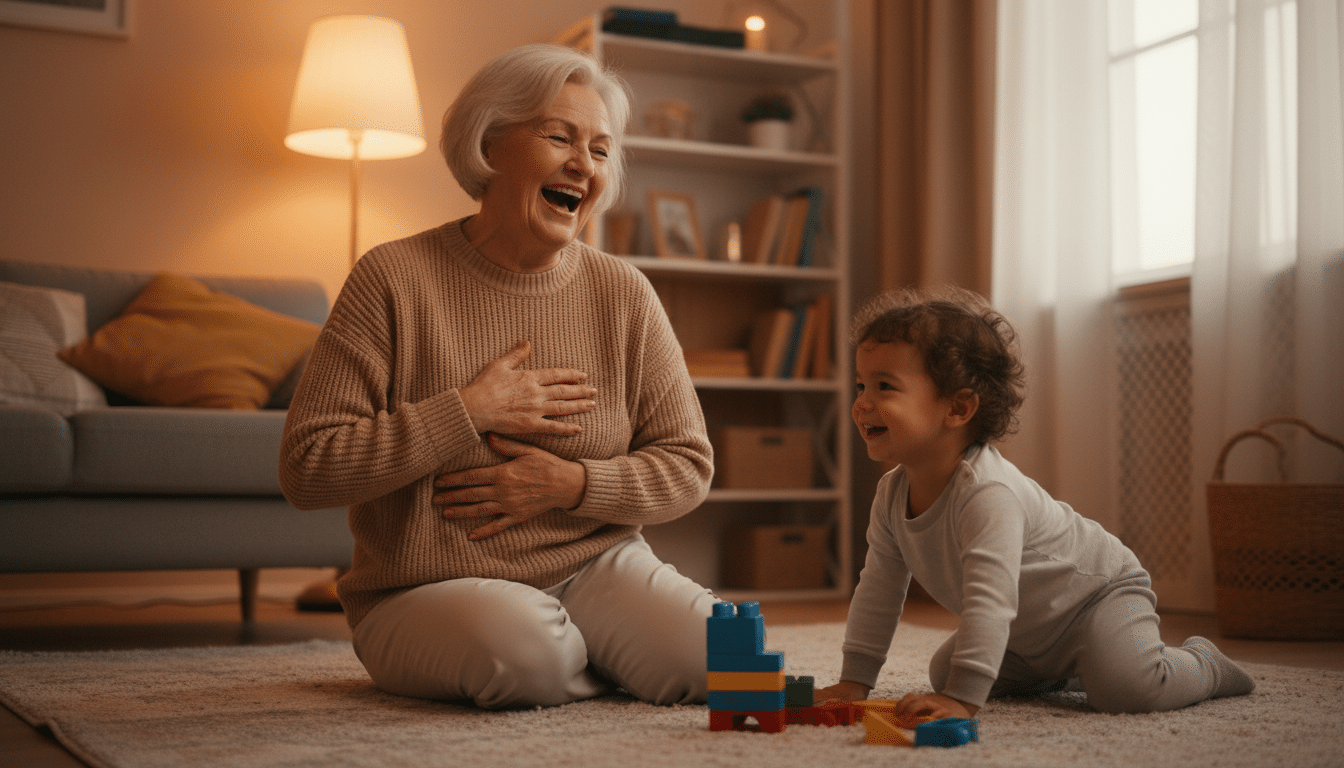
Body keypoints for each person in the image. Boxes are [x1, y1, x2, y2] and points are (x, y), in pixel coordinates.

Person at [279, 44, 718, 710]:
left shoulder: (624, 294)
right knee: (527, 658)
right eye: (558, 137)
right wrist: (468, 410)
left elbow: (687, 465)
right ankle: (584, 656)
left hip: (593, 566)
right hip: (420, 588)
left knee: (723, 657)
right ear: (489, 144)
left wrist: (570, 483)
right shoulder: (393, 278)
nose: (583, 164)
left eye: (600, 150)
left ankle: (584, 648)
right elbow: (308, 468)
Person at [815, 287, 1255, 718]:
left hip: (1097, 598)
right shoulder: (891, 496)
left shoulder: (987, 493)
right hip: (1028, 632)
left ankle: (1204, 665)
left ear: (958, 409)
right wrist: (855, 681)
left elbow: (991, 600)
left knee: (1126, 690)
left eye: (884, 386)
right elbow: (879, 589)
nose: (861, 403)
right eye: (860, 385)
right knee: (944, 670)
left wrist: (964, 699)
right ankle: (1072, 668)